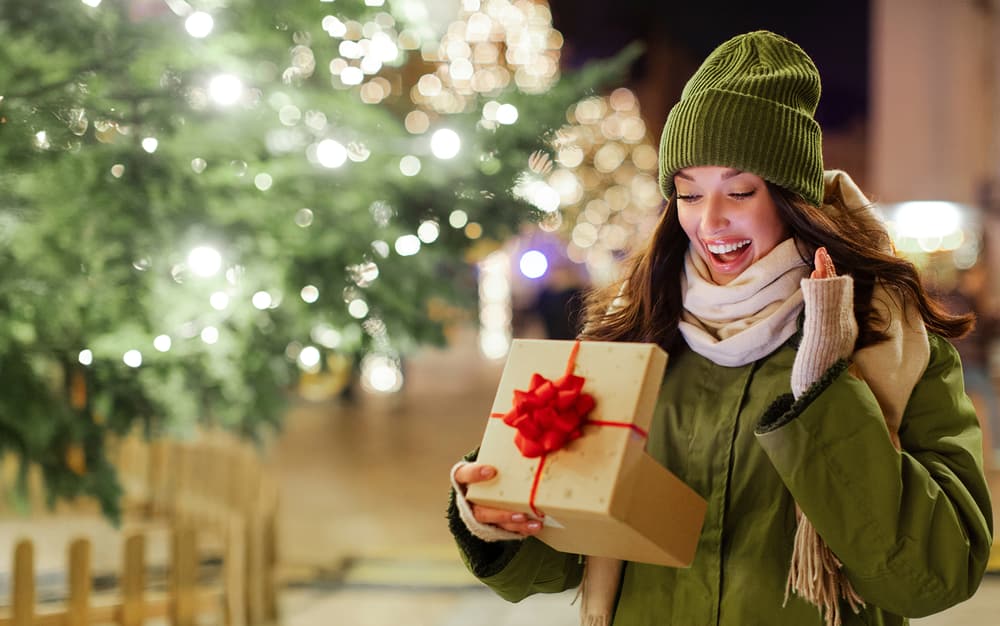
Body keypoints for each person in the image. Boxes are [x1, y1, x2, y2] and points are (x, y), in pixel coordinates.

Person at [446, 30, 994, 626]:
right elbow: (561, 563)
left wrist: (825, 391)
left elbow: (939, 574)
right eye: (687, 193)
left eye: (739, 191)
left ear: (791, 197)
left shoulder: (891, 341)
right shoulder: (632, 335)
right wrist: (500, 514)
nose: (710, 221)